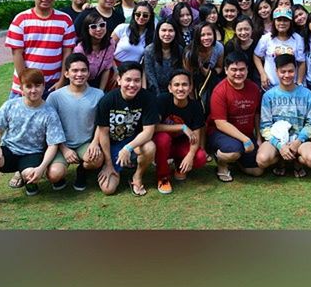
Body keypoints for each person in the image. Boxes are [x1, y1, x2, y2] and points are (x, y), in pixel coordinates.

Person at [0, 68, 65, 211]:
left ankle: (29, 181)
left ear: (43, 86)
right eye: (29, 86)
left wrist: (41, 168)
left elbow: (53, 145)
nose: (33, 90)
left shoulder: (49, 112)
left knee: (30, 173)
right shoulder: (10, 105)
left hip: (32, 154)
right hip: (10, 150)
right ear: (21, 88)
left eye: (37, 85)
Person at [94, 61, 158, 196]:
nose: (132, 85)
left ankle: (137, 177)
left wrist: (128, 148)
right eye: (128, 80)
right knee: (108, 189)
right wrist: (108, 163)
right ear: (119, 80)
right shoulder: (108, 100)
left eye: (137, 80)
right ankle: (111, 167)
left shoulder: (147, 98)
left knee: (150, 147)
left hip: (132, 142)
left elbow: (148, 132)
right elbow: (103, 133)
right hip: (111, 145)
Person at [5, 0, 76, 98]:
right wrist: (25, 84)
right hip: (24, 88)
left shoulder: (65, 20)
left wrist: (62, 81)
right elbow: (17, 54)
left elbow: (67, 53)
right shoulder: (21, 20)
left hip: (53, 87)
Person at [45, 53, 105, 191]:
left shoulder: (98, 95)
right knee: (55, 174)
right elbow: (50, 128)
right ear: (66, 73)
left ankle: (82, 171)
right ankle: (59, 176)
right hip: (61, 144)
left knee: (96, 160)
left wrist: (95, 143)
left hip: (85, 143)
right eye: (75, 70)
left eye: (83, 70)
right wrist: (64, 149)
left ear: (89, 73)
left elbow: (101, 123)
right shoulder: (55, 97)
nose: (79, 74)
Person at [256, 54, 311, 177]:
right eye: (283, 72)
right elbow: (265, 126)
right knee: (262, 160)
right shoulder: (268, 96)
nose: (287, 75)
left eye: (290, 71)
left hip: (299, 140)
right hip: (277, 140)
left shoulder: (307, 94)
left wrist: (298, 141)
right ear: (276, 71)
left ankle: (296, 160)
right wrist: (280, 145)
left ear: (295, 71)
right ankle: (280, 160)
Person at [207, 52, 264, 182]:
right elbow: (220, 123)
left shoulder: (254, 88)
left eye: (242, 69)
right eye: (234, 70)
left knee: (257, 170)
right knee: (233, 152)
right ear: (226, 70)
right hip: (221, 133)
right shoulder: (220, 91)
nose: (238, 73)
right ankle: (221, 161)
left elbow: (256, 113)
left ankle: (238, 161)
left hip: (245, 134)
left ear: (247, 70)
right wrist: (245, 140)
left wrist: (259, 138)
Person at [154, 70, 207, 194]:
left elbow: (196, 134)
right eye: (176, 85)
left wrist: (190, 155)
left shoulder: (196, 106)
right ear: (170, 88)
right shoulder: (162, 100)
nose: (180, 88)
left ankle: (179, 165)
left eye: (184, 85)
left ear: (190, 88)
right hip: (163, 144)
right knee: (162, 139)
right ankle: (163, 177)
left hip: (181, 144)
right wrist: (181, 127)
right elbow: (154, 127)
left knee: (200, 157)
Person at [253, 7, 306, 90]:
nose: (282, 23)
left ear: (290, 22)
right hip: (270, 85)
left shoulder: (297, 39)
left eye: (285, 20)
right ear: (274, 22)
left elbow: (301, 62)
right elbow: (256, 55)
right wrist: (262, 74)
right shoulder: (266, 38)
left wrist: (299, 83)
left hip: (291, 86)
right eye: (279, 20)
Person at [182, 22, 224, 114]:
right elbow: (188, 76)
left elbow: (219, 67)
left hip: (211, 80)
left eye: (209, 34)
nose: (206, 38)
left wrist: (209, 73)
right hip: (195, 83)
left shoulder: (218, 47)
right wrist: (192, 98)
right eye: (202, 35)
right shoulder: (190, 53)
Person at [74, 9, 115, 90]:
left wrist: (100, 91)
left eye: (102, 25)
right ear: (87, 29)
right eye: (93, 26)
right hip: (80, 83)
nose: (99, 29)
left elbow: (106, 69)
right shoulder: (80, 49)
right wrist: (91, 93)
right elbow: (80, 74)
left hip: (98, 81)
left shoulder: (110, 43)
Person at [144, 19, 183, 95]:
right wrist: (158, 95)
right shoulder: (149, 50)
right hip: (154, 92)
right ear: (158, 32)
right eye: (164, 30)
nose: (167, 34)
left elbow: (179, 73)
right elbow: (150, 75)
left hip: (175, 91)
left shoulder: (180, 50)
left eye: (171, 31)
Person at [224, 14, 259, 83]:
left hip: (254, 80)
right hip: (236, 79)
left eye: (246, 29)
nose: (243, 33)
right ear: (235, 31)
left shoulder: (257, 43)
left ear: (252, 29)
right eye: (240, 30)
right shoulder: (230, 45)